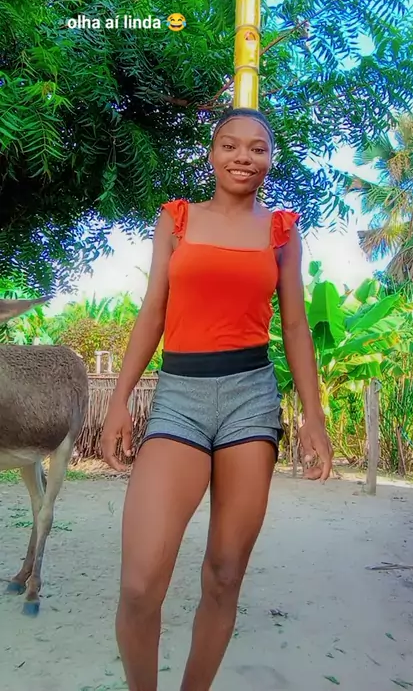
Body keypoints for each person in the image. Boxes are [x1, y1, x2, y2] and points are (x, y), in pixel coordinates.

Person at [101, 107, 334, 691]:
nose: (243, 157)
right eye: (230, 145)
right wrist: (119, 399)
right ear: (211, 154)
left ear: (270, 159)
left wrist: (314, 416)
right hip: (179, 395)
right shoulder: (177, 220)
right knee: (139, 586)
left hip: (250, 399)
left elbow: (296, 326)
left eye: (257, 148)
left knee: (225, 574)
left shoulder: (282, 231)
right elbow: (153, 310)